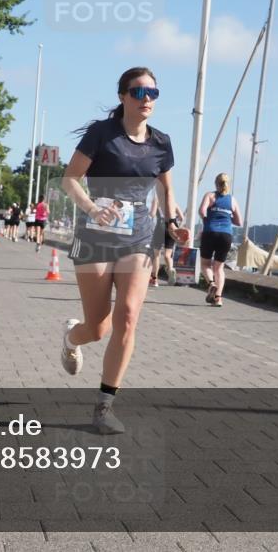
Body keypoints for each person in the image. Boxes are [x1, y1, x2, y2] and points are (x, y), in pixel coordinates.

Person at [60, 67, 183, 434]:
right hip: (96, 234)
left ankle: (104, 407)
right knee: (97, 327)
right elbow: (70, 180)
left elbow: (165, 191)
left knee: (127, 316)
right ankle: (70, 337)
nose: (147, 99)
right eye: (139, 92)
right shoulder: (102, 134)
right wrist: (93, 207)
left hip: (138, 236)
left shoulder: (161, 142)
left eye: (153, 93)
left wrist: (173, 223)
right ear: (122, 96)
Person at [197, 173, 242, 307]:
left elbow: (202, 211)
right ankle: (218, 298)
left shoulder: (210, 196)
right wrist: (227, 217)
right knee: (219, 268)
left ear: (216, 183)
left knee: (205, 264)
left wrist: (207, 219)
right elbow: (239, 221)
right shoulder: (232, 200)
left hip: (210, 232)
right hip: (226, 235)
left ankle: (211, 284)